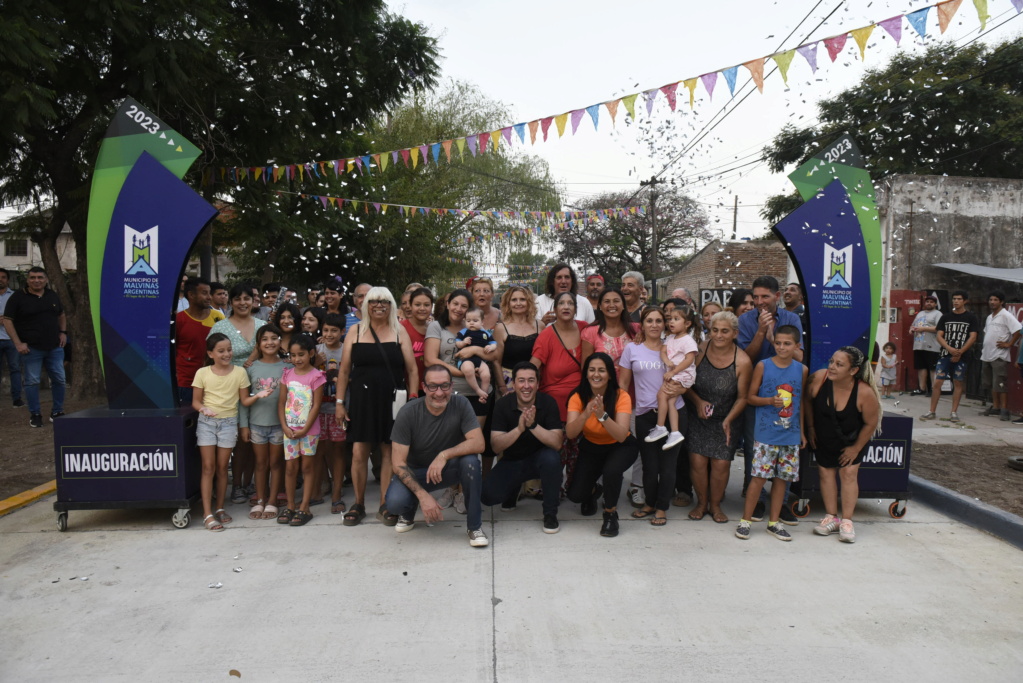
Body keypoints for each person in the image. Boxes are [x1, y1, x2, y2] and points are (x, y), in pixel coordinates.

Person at [335, 287, 419, 526]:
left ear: (392, 305)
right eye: (373, 301)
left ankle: (384, 504)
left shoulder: (399, 330)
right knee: (359, 452)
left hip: (392, 402)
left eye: (384, 301)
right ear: (365, 305)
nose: (379, 305)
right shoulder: (355, 331)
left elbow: (412, 369)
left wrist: (413, 399)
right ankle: (358, 503)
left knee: (387, 453)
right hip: (362, 402)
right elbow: (343, 371)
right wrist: (340, 403)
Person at [383, 365, 489, 547]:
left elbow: (478, 443)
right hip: (415, 472)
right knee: (395, 503)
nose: (439, 393)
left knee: (471, 463)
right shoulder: (408, 412)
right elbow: (398, 463)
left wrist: (444, 455)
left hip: (447, 470)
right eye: (433, 386)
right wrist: (424, 496)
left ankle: (475, 527)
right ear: (424, 387)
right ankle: (409, 511)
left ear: (451, 385)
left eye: (444, 386)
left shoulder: (461, 403)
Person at [737, 275, 803, 522]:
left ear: (777, 296)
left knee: (785, 448)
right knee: (755, 447)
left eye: (765, 296)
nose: (759, 302)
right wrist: (761, 331)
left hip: (786, 393)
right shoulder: (745, 320)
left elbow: (799, 356)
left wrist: (773, 333)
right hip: (756, 392)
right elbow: (745, 357)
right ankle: (755, 500)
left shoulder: (792, 319)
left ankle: (782, 502)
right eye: (755, 297)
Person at [192, 333, 271, 531]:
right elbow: (195, 401)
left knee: (221, 467)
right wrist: (203, 409)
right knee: (208, 467)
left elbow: (244, 401)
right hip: (207, 422)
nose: (227, 354)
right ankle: (207, 513)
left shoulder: (239, 373)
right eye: (221, 351)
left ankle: (219, 508)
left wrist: (258, 395)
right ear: (210, 353)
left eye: (229, 349)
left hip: (228, 423)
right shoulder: (202, 373)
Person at [736, 325, 807, 542]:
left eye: (787, 344)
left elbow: (800, 403)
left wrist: (802, 432)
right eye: (778, 343)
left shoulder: (802, 370)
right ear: (773, 343)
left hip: (790, 436)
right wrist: (769, 401)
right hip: (766, 434)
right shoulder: (763, 366)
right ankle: (745, 520)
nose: (782, 347)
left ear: (797, 346)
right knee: (757, 478)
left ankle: (774, 522)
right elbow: (750, 397)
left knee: (782, 480)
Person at [805, 346, 881, 544]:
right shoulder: (819, 379)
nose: (832, 367)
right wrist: (811, 426)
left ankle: (847, 520)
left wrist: (855, 448)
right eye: (831, 361)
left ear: (853, 370)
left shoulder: (864, 392)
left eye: (839, 364)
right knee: (826, 472)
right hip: (823, 435)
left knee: (848, 474)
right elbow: (806, 400)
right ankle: (831, 517)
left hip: (852, 439)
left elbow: (871, 423)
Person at [619, 308, 687, 526]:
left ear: (665, 324)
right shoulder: (632, 349)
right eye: (650, 320)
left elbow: (689, 375)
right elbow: (623, 384)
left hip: (674, 413)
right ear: (642, 324)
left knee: (668, 466)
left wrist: (682, 391)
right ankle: (649, 503)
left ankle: (661, 508)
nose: (655, 325)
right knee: (649, 465)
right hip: (645, 415)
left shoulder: (675, 347)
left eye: (659, 320)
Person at [684, 311, 751, 523]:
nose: (719, 335)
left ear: (734, 333)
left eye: (724, 331)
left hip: (726, 420)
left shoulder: (742, 360)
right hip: (699, 417)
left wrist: (728, 419)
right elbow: (684, 383)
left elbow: (743, 398)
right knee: (697, 461)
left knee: (721, 464)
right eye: (714, 330)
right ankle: (701, 503)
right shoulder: (700, 351)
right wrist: (698, 402)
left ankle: (715, 505)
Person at [482, 362, 565, 533]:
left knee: (552, 458)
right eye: (521, 381)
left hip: (540, 460)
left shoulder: (548, 402)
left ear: (538, 383)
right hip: (513, 461)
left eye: (531, 380)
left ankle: (550, 513)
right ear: (513, 383)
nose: (526, 386)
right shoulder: (503, 405)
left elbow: (557, 443)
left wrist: (533, 425)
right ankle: (513, 490)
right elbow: (496, 446)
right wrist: (519, 429)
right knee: (487, 496)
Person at [565, 352, 637, 536]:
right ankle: (595, 489)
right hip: (591, 446)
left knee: (611, 471)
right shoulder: (577, 396)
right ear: (586, 373)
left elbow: (621, 435)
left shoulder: (621, 396)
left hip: (621, 446)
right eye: (592, 370)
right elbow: (571, 433)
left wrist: (602, 416)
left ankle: (610, 514)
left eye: (601, 370)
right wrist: (586, 413)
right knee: (575, 496)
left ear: (610, 375)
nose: (596, 374)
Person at [209, 284, 266, 504]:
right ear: (230, 302)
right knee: (239, 442)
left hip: (261, 389)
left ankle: (251, 482)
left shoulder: (262, 325)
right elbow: (213, 359)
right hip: (231, 391)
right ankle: (238, 485)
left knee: (255, 439)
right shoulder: (220, 327)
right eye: (238, 298)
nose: (243, 302)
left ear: (253, 301)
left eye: (247, 298)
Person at [530, 291, 587, 488]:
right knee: (556, 456)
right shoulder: (546, 335)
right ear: (554, 309)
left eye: (570, 303)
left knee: (580, 455)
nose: (566, 307)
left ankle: (578, 489)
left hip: (582, 405)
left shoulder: (586, 329)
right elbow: (533, 366)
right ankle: (554, 492)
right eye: (561, 303)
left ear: (576, 309)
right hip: (555, 407)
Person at [2, 266, 67, 427]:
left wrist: (63, 332)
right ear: (27, 280)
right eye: (32, 278)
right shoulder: (17, 297)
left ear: (45, 279)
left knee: (59, 379)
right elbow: (7, 320)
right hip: (31, 349)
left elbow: (61, 314)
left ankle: (57, 411)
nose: (36, 280)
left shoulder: (52, 295)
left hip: (54, 347)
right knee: (32, 382)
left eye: (40, 277)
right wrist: (17, 343)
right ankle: (35, 414)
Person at [274, 335, 326, 527]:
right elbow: (281, 403)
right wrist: (285, 427)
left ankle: (305, 506)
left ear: (311, 353)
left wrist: (305, 429)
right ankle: (290, 505)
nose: (297, 359)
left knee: (307, 467)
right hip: (289, 431)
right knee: (290, 468)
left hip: (309, 431)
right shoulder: (287, 375)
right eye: (293, 355)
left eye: (301, 354)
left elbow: (316, 406)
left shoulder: (317, 376)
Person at [239, 326, 287, 520]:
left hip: (279, 424)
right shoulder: (250, 368)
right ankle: (260, 500)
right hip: (257, 424)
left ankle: (273, 501)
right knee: (260, 463)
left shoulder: (288, 367)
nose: (270, 342)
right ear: (258, 344)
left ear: (280, 341)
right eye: (265, 339)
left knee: (276, 463)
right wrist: (244, 425)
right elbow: (242, 400)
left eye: (274, 338)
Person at [645, 305, 699, 449]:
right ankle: (675, 432)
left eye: (676, 319)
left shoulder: (688, 340)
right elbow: (663, 352)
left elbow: (689, 360)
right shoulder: (670, 337)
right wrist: (667, 361)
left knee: (661, 396)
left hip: (683, 375)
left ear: (687, 324)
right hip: (676, 374)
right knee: (670, 402)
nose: (671, 322)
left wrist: (673, 372)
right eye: (670, 319)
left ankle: (660, 426)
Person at [920, 290, 978, 423]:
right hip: (945, 355)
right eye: (954, 299)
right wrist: (950, 349)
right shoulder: (946, 317)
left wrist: (960, 352)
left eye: (959, 299)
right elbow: (939, 335)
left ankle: (954, 412)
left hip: (962, 357)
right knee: (938, 382)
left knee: (957, 382)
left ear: (965, 301)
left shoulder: (971, 317)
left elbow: (973, 336)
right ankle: (932, 411)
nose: (956, 301)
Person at [175, 277, 225, 407]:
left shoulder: (218, 317)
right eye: (204, 293)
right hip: (187, 383)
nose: (209, 297)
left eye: (209, 293)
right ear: (191, 295)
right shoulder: (179, 320)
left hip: (215, 382)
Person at [316, 313, 348, 514]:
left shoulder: (347, 351)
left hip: (338, 409)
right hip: (317, 410)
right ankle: (323, 484)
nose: (329, 334)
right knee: (321, 450)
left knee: (338, 451)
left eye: (334, 330)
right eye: (326, 330)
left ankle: (337, 493)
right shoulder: (316, 351)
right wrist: (313, 362)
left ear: (342, 332)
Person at [978, 291, 1021, 421]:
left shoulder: (1006, 315)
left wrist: (1009, 344)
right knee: (991, 383)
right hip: (987, 354)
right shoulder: (989, 317)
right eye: (991, 299)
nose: (992, 302)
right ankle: (995, 407)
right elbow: (986, 333)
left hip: (999, 356)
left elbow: (1018, 330)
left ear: (1001, 302)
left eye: (995, 300)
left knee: (1001, 384)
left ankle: (1004, 409)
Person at [493, 285, 542, 395]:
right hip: (509, 382)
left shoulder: (540, 326)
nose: (518, 303)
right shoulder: (501, 328)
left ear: (529, 302)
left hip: (534, 382)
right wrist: (502, 387)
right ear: (508, 303)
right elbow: (496, 362)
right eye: (514, 300)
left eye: (522, 299)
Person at [580, 286, 638, 374]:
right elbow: (586, 368)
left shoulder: (637, 329)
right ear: (600, 306)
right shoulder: (590, 332)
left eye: (616, 301)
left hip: (635, 385)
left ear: (623, 305)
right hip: (604, 386)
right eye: (607, 301)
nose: (612, 305)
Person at [455, 307, 497, 402]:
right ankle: (478, 390)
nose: (471, 323)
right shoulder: (464, 332)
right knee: (469, 370)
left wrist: (491, 347)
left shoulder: (485, 333)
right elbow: (457, 342)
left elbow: (494, 343)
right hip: (466, 360)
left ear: (482, 322)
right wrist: (463, 342)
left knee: (486, 375)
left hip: (480, 360)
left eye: (475, 320)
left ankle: (483, 394)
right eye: (468, 320)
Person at [401, 287, 435, 394]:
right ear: (410, 306)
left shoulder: (434, 329)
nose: (422, 308)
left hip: (430, 387)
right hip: (405, 387)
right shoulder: (401, 328)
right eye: (417, 304)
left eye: (426, 305)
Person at [908, 295, 941, 396]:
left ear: (935, 304)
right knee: (921, 367)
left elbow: (939, 328)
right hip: (919, 344)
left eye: (931, 302)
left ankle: (933, 389)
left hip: (932, 346)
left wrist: (924, 329)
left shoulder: (938, 314)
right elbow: (913, 325)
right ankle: (922, 389)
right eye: (927, 302)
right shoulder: (920, 314)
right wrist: (911, 329)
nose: (929, 303)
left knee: (932, 368)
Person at [0, 267, 23, 407]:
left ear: (7, 280)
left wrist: (7, 320)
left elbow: (21, 316)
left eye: (3, 277)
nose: (0, 280)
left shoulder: (14, 296)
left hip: (12, 339)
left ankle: (17, 399)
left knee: (15, 369)